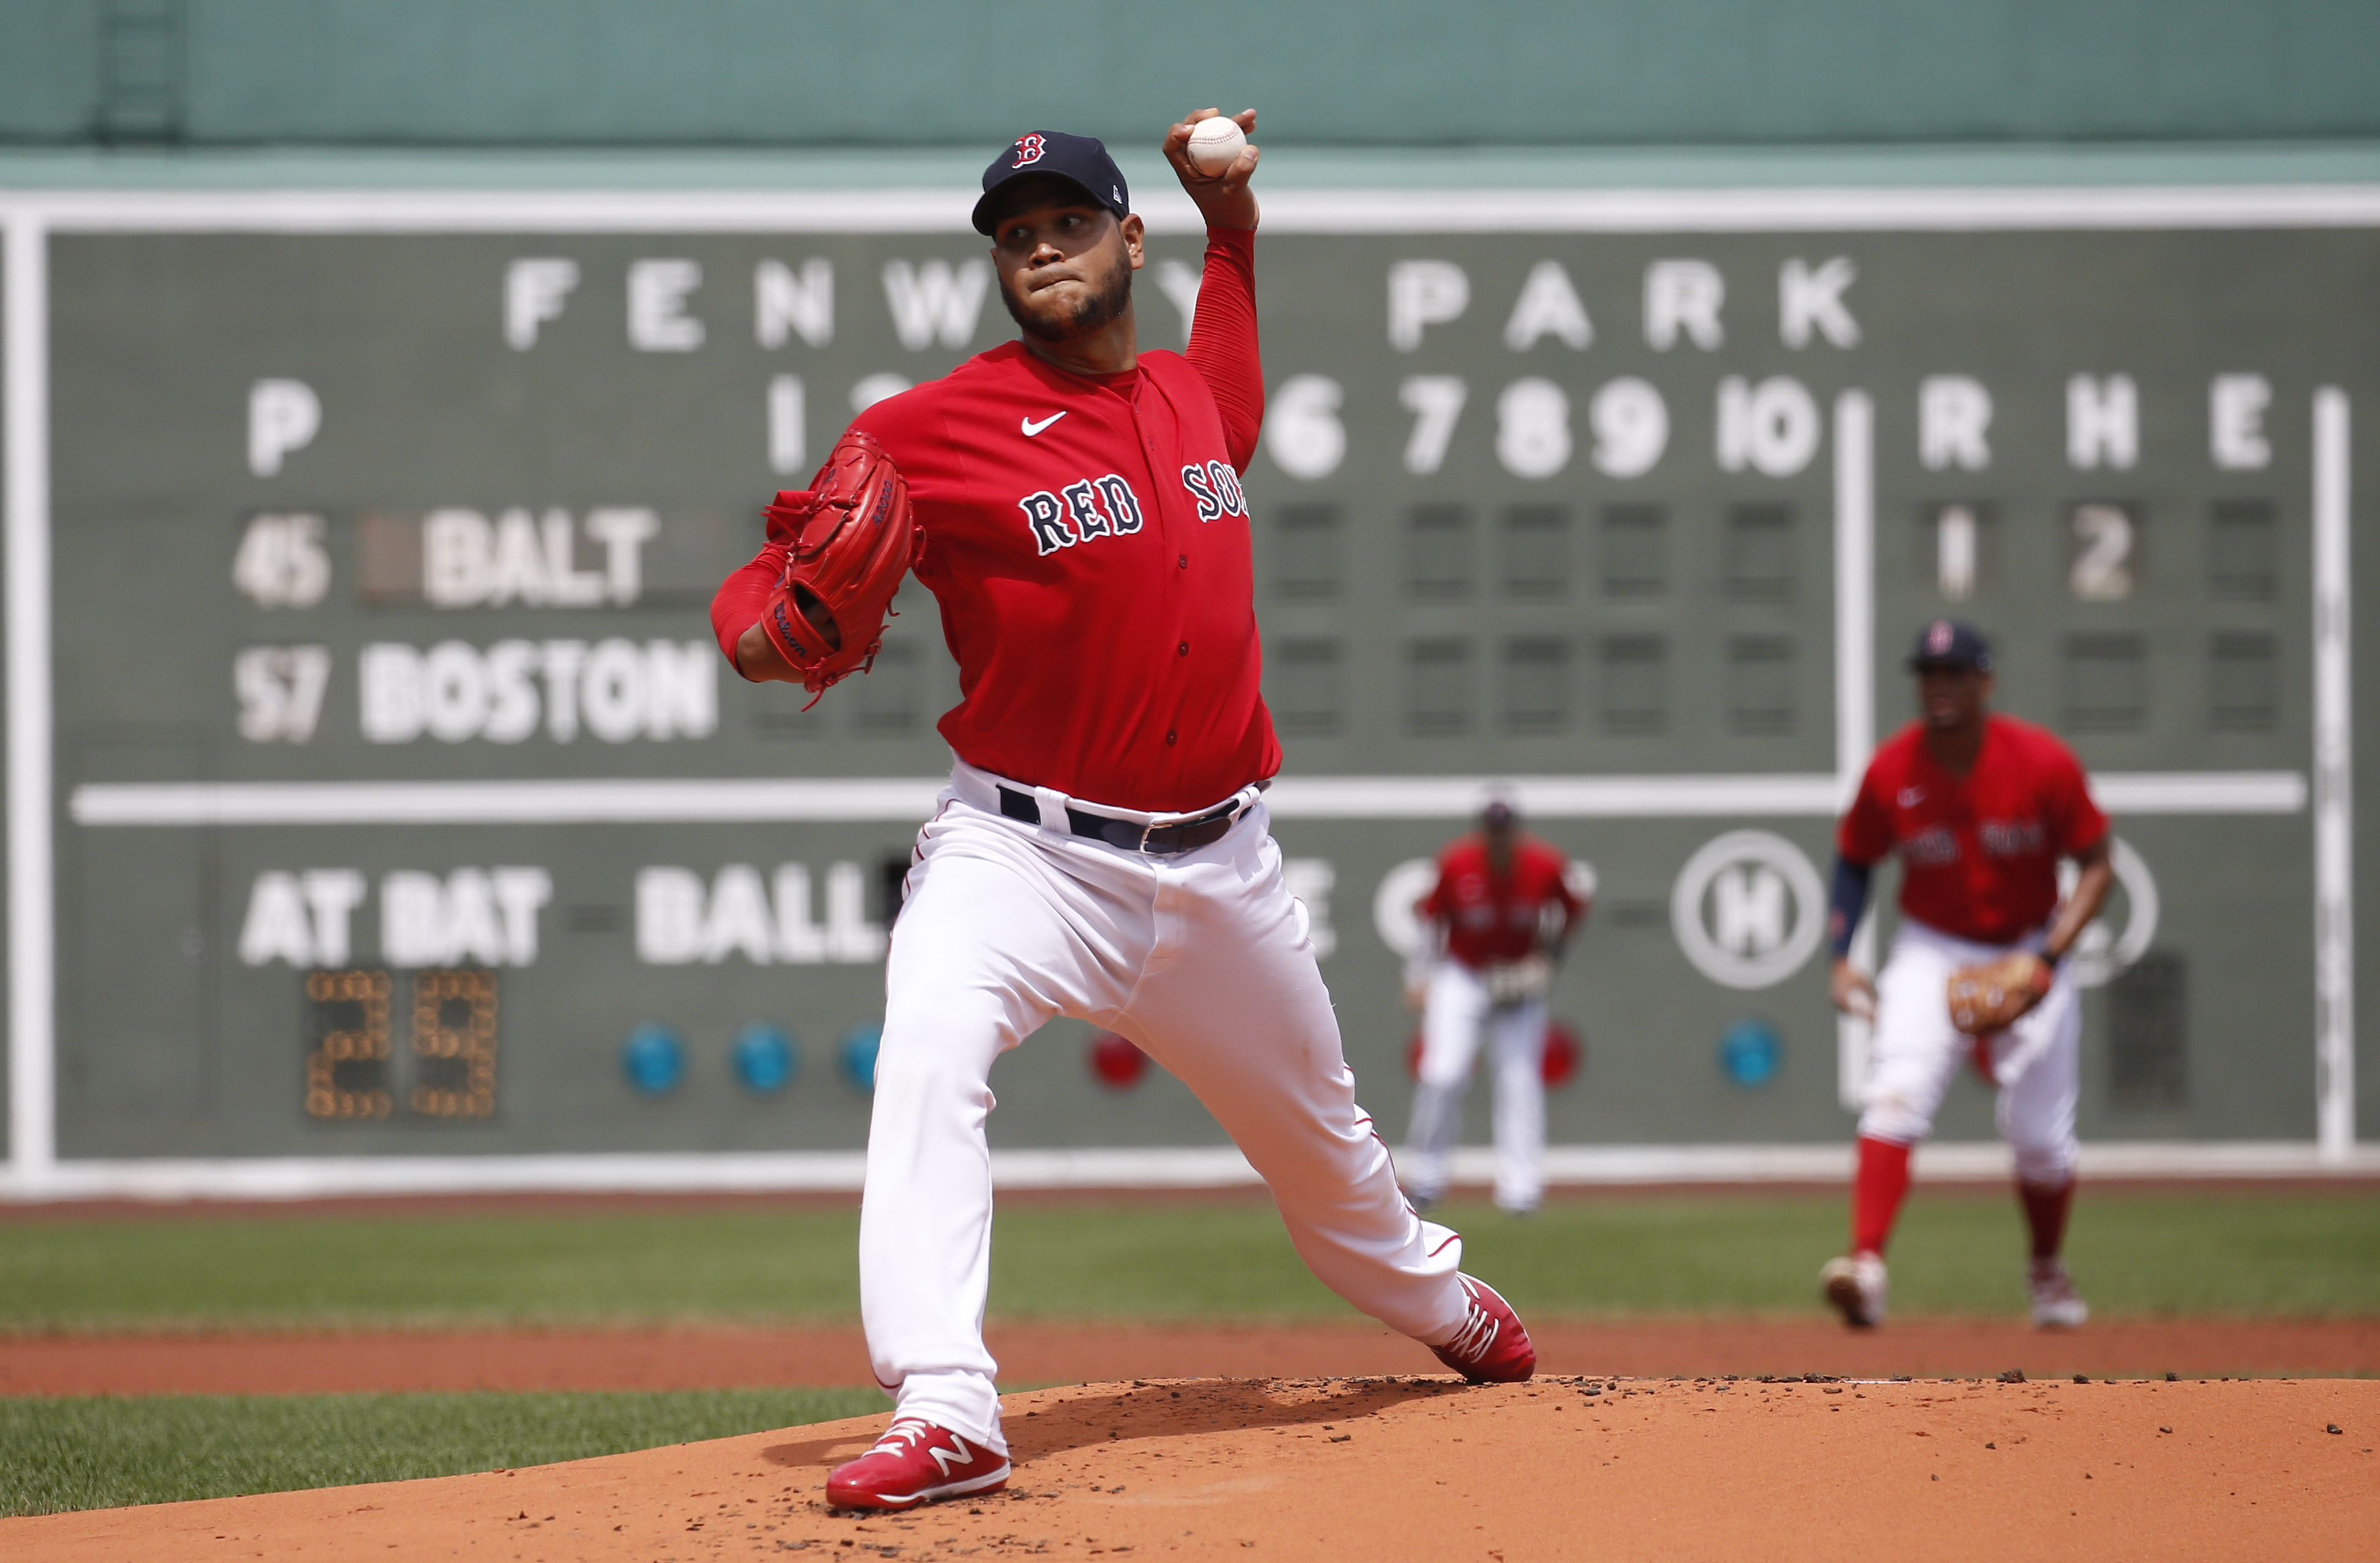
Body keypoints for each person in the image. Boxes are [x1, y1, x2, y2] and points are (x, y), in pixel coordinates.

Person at [711, 112, 1534, 1514]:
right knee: (925, 1048)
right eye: (1013, 235)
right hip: (1019, 851)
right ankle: (947, 1404)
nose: (1038, 247)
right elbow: (755, 603)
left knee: (1329, 1164)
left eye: (1067, 221)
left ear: (1123, 238)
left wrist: (1234, 227)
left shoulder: (1189, 402)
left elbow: (1231, 353)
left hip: (1220, 871)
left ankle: (1437, 1300)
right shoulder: (927, 429)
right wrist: (766, 633)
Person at [1821, 619, 2113, 1331]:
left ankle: (2045, 1268)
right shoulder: (1891, 769)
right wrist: (1838, 957)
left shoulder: (2040, 760)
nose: (1938, 686)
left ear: (1984, 681)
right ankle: (1865, 1266)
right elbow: (1854, 859)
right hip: (1932, 944)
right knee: (1893, 1091)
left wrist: (2044, 959)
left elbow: (2097, 864)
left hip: (2024, 941)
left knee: (2040, 1138)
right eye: (1927, 674)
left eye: (1953, 673)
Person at [1401, 797, 1586, 1215]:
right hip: (1463, 974)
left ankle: (1521, 1189)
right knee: (1442, 1074)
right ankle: (1427, 1179)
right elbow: (1431, 919)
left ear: (1515, 830)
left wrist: (1548, 957)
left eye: (1505, 828)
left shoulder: (1543, 865)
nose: (1499, 836)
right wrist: (1417, 975)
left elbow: (1572, 910)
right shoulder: (1458, 862)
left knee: (1520, 1081)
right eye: (1492, 828)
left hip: (1518, 979)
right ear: (1483, 831)